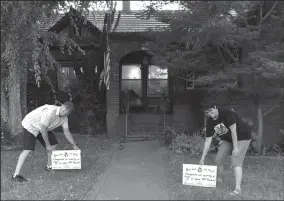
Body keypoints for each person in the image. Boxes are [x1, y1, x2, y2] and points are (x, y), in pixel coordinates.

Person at [11, 101, 79, 182]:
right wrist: (47, 145)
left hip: (44, 127)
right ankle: (15, 175)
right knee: (28, 149)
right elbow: (43, 129)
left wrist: (73, 144)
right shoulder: (50, 112)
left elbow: (67, 132)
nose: (65, 112)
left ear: (69, 113)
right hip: (31, 125)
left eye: (68, 111)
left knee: (53, 144)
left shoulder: (65, 118)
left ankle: (49, 166)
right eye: (65, 109)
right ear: (62, 106)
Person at [199, 104, 252, 196]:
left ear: (215, 107)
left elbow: (234, 132)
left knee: (236, 160)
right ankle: (219, 180)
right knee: (218, 159)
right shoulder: (210, 121)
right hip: (228, 139)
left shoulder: (227, 113)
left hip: (243, 136)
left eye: (211, 110)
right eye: (207, 112)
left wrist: (235, 148)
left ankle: (238, 189)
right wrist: (202, 158)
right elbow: (208, 140)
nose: (209, 113)